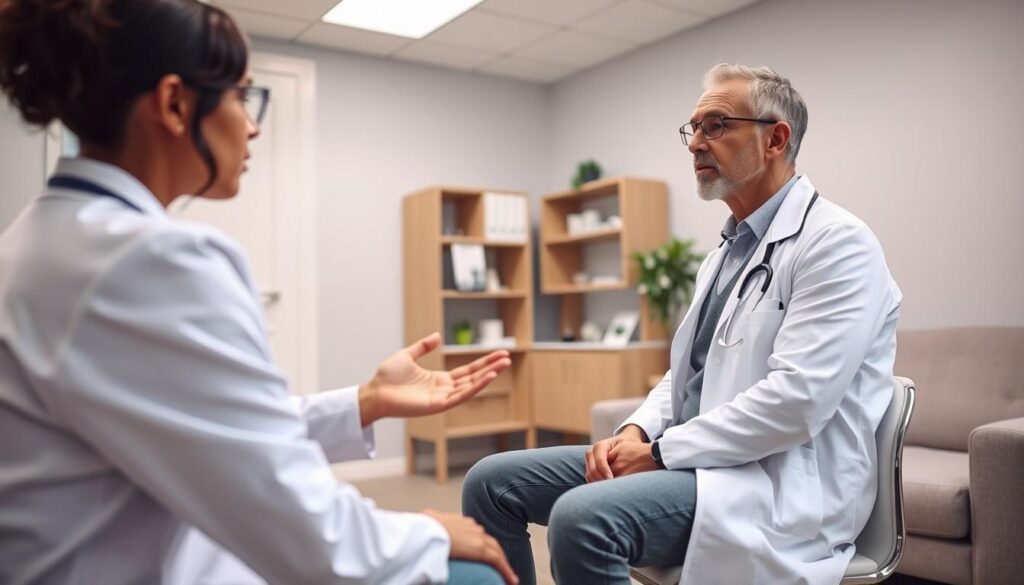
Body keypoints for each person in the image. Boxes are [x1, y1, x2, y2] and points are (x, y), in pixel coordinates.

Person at [0, 1, 518, 584]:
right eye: (242, 96)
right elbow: (308, 536)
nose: (253, 125)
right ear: (174, 104)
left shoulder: (41, 236)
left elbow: (215, 432)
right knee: (473, 570)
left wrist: (367, 400)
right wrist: (425, 527)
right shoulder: (148, 261)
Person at [463, 64, 902, 584]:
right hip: (698, 460)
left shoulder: (837, 244)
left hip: (775, 483)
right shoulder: (726, 253)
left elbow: (797, 403)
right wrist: (633, 429)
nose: (695, 143)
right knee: (489, 483)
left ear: (775, 139)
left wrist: (657, 453)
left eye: (715, 125)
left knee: (583, 520)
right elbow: (687, 376)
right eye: (692, 129)